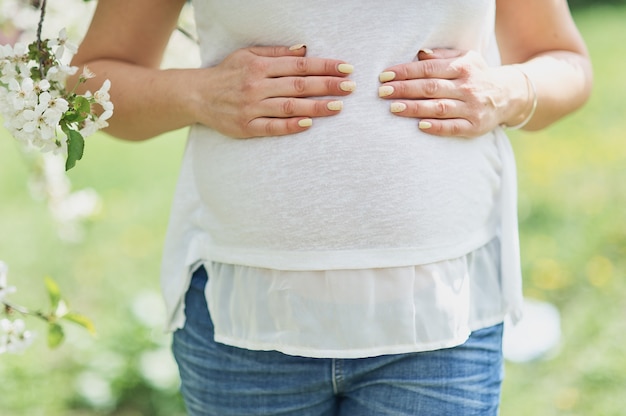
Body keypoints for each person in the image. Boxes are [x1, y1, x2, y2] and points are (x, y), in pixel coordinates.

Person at [71, 1, 592, 415]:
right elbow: (90, 81)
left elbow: (564, 60)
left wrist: (507, 90)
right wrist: (198, 94)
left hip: (441, 321)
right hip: (245, 319)